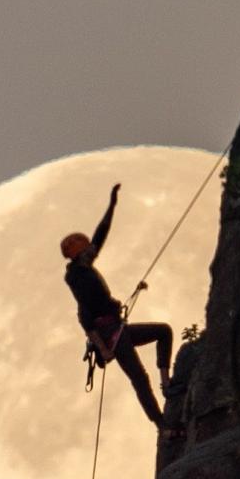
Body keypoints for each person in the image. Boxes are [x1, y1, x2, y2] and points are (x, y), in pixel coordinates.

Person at [60, 182, 174, 427]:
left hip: (116, 329)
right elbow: (85, 317)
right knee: (139, 378)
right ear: (80, 254)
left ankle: (167, 384)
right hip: (110, 334)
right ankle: (162, 425)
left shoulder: (84, 268)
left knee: (164, 331)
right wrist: (103, 348)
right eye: (88, 249)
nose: (93, 250)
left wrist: (112, 205)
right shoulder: (77, 277)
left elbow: (101, 235)